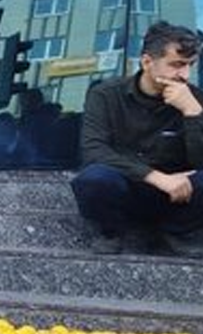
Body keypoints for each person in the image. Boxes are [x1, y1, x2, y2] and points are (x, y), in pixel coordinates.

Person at [71, 22, 203, 256]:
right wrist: (155, 177)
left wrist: (192, 113)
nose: (185, 75)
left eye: (190, 65)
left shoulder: (194, 98)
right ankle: (110, 232)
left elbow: (200, 162)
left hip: (177, 196)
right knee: (93, 178)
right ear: (147, 62)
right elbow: (94, 150)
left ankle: (178, 232)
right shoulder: (106, 95)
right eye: (176, 65)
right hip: (125, 188)